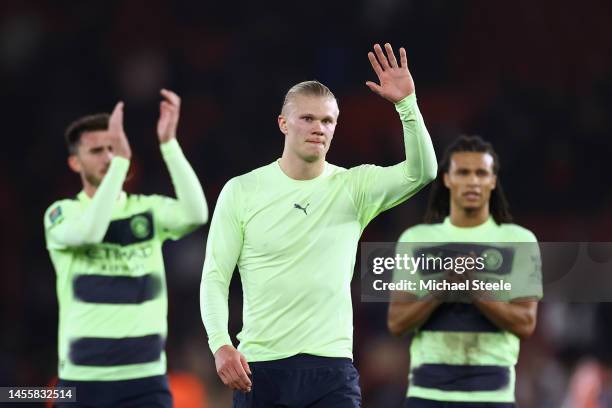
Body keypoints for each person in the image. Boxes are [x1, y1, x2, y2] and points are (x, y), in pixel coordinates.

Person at [200, 43, 437, 407]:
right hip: (260, 369)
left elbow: (422, 173)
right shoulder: (242, 190)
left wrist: (407, 106)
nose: (318, 128)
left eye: (327, 121)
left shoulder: (353, 187)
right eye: (307, 118)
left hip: (331, 369)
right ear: (283, 123)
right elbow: (216, 276)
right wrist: (220, 344)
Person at [44, 89, 208, 407]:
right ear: (74, 162)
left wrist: (169, 145)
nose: (108, 157)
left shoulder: (146, 210)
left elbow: (196, 214)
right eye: (97, 151)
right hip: (82, 381)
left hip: (145, 379)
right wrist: (119, 166)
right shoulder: (61, 213)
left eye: (113, 148)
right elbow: (91, 233)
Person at [387, 135, 542, 407]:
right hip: (427, 395)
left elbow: (526, 324)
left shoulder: (520, 240)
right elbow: (396, 323)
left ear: (493, 180)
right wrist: (441, 290)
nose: (473, 181)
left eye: (481, 173)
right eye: (463, 172)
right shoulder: (416, 239)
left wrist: (476, 291)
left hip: (492, 395)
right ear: (447, 179)